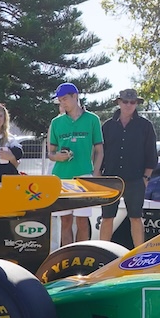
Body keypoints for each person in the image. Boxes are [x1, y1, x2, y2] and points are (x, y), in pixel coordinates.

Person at [99, 88, 158, 246]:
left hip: (136, 179)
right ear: (119, 102)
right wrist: (98, 174)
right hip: (111, 178)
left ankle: (138, 254)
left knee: (136, 217)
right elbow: (100, 153)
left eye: (133, 102)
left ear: (137, 104)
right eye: (125, 101)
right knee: (107, 217)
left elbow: (151, 154)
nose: (129, 105)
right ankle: (102, 252)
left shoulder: (145, 126)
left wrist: (146, 177)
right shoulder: (107, 126)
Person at [48, 82, 104, 246]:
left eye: (65, 99)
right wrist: (59, 157)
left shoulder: (92, 119)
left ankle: (81, 256)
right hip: (61, 178)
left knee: (82, 221)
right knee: (65, 221)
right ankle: (66, 257)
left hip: (83, 177)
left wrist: (96, 172)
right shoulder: (56, 123)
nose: (62, 103)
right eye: (60, 100)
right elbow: (50, 153)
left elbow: (99, 149)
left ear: (75, 96)